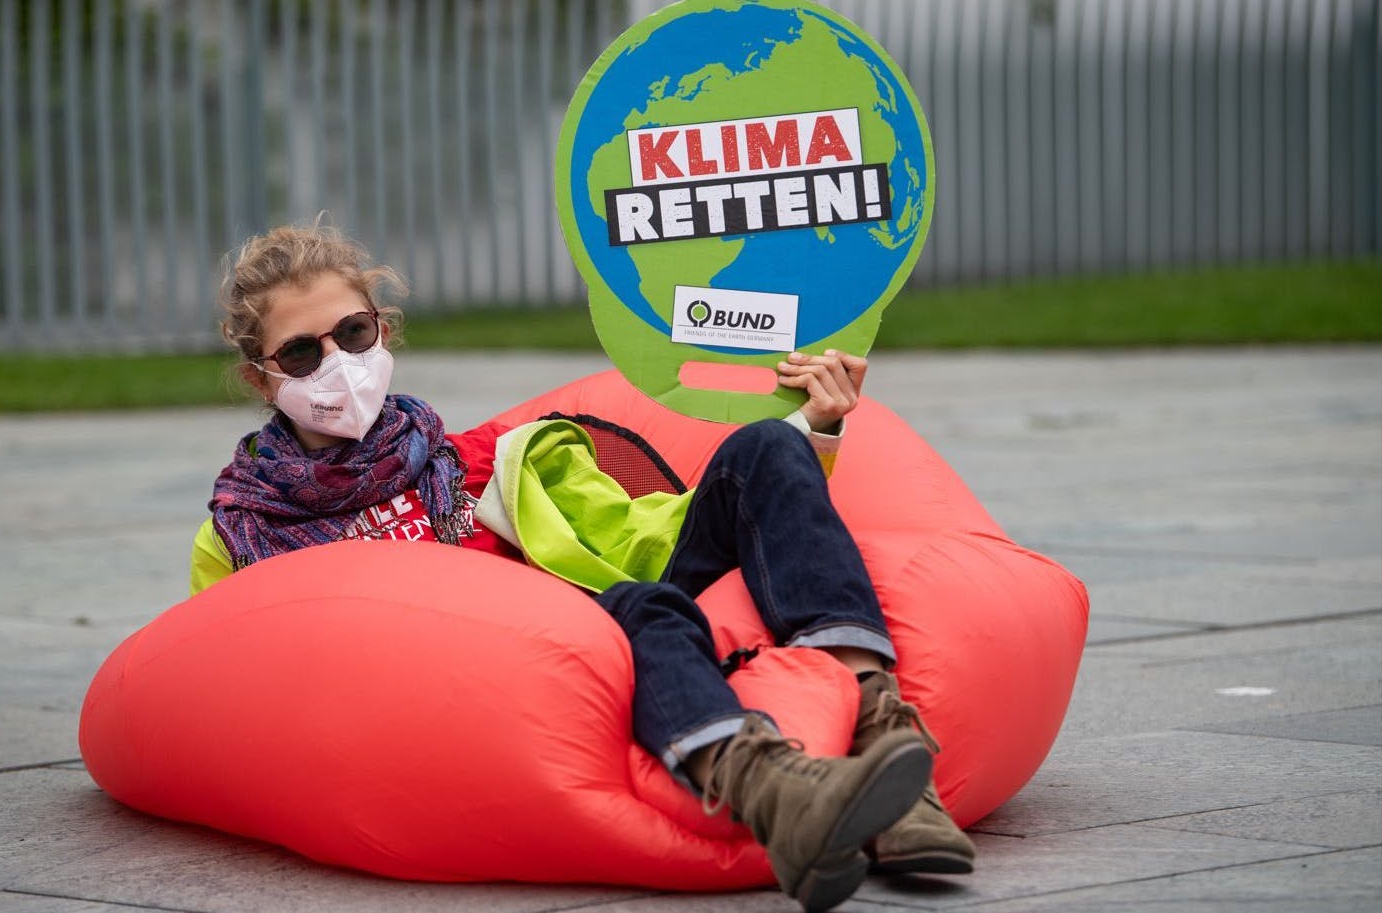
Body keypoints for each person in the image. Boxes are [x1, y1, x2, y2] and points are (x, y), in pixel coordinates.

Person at [192, 223, 976, 912]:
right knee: (637, 611)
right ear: (262, 377)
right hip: (477, 701)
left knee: (748, 472)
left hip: (602, 633)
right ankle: (782, 791)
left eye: (353, 333)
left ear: (384, 331)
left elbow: (643, 536)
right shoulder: (241, 534)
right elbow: (240, 693)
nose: (337, 363)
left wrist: (817, 431)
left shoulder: (484, 463)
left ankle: (878, 751)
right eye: (301, 351)